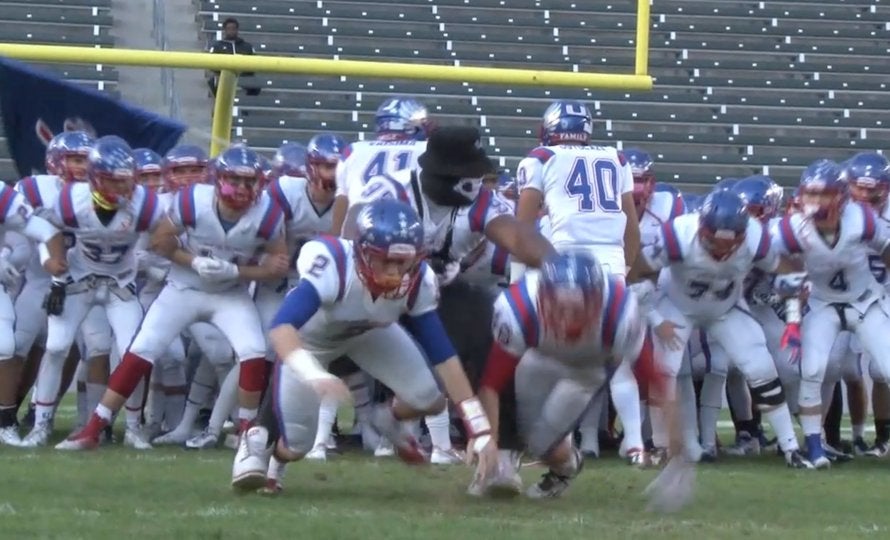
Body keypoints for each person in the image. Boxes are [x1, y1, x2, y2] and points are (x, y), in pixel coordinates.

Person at [252, 198, 498, 495]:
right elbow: (281, 328)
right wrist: (313, 373)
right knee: (297, 444)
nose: (395, 272)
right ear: (363, 254)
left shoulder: (420, 281)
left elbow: (444, 356)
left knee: (430, 399)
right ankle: (274, 462)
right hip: (312, 344)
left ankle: (388, 418)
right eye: (386, 260)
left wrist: (479, 428)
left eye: (402, 262)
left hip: (369, 335)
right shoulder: (334, 265)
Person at [207, 17, 259, 98]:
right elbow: (211, 64)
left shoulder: (247, 46)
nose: (231, 31)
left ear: (237, 30)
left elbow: (254, 63)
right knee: (213, 81)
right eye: (228, 28)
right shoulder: (217, 46)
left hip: (244, 77)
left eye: (233, 28)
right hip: (223, 77)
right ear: (224, 30)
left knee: (255, 83)